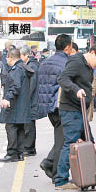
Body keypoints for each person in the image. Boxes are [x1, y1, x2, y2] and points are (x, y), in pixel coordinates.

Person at [55, 42, 96, 190]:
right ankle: (61, 180)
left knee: (89, 140)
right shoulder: (76, 62)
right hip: (71, 110)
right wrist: (76, 89)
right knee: (70, 143)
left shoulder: (88, 66)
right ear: (93, 53)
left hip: (80, 110)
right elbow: (62, 79)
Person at [38, 34, 73, 181]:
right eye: (71, 45)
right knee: (63, 140)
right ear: (67, 47)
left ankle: (50, 164)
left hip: (47, 106)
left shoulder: (46, 62)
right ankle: (55, 172)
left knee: (61, 138)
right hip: (60, 106)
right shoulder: (66, 63)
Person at [0, 49, 33, 162]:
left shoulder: (17, 69)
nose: (6, 60)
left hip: (15, 105)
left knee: (11, 127)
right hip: (21, 105)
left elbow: (15, 86)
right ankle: (19, 153)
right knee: (20, 128)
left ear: (10, 57)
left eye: (7, 58)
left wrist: (7, 98)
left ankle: (12, 153)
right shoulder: (23, 68)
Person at [20, 45, 40, 156]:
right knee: (28, 123)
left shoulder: (32, 66)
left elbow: (31, 86)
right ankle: (29, 147)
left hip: (31, 100)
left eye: (21, 55)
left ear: (26, 55)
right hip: (30, 100)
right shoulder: (28, 64)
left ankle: (30, 148)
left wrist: (26, 98)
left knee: (29, 124)